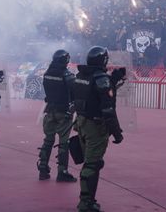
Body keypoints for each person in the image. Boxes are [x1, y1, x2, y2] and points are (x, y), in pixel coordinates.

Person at [73, 46, 124, 212]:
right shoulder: (101, 79)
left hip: (81, 122)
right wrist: (116, 133)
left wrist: (112, 81)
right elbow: (108, 109)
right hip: (95, 126)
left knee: (92, 162)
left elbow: (92, 94)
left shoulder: (81, 75)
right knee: (92, 164)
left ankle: (87, 199)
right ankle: (86, 202)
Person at [37, 49, 77, 182]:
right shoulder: (67, 75)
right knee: (63, 143)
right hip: (63, 112)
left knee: (48, 139)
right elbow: (76, 91)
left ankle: (43, 168)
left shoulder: (47, 73)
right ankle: (62, 172)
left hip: (50, 110)